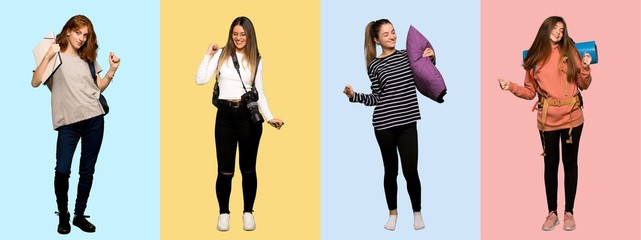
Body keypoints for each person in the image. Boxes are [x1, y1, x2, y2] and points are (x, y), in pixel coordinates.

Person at [497, 16, 592, 231]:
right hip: (547, 120)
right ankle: (552, 213)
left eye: (562, 28)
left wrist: (585, 67)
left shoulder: (571, 51)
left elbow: (584, 84)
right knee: (550, 166)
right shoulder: (534, 58)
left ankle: (569, 212)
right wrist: (510, 86)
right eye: (555, 27)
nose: (559, 31)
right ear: (546, 29)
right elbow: (530, 92)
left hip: (572, 118)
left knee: (570, 164)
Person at [31, 15, 120, 234]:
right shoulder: (53, 54)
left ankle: (80, 215)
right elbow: (35, 82)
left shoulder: (87, 57)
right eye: (78, 32)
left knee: (87, 171)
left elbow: (97, 88)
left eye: (85, 35)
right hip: (68, 123)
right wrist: (48, 56)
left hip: (94, 119)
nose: (81, 38)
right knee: (62, 171)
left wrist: (112, 70)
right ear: (68, 31)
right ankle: (64, 216)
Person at [342, 19, 434, 231]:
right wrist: (354, 96)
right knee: (390, 170)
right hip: (383, 125)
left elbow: (425, 74)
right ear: (376, 40)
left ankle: (417, 213)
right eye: (386, 34)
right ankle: (392, 214)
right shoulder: (374, 66)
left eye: (393, 32)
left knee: (411, 170)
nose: (392, 36)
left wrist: (431, 57)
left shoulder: (407, 56)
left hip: (408, 122)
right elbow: (376, 98)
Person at [195, 16, 284, 232]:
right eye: (235, 34)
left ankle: (248, 213)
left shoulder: (256, 58)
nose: (238, 38)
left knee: (248, 169)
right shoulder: (222, 55)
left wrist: (270, 116)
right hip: (225, 116)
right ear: (230, 34)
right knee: (225, 170)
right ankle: (223, 212)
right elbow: (200, 79)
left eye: (243, 34)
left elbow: (260, 92)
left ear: (249, 35)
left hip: (248, 117)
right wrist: (208, 54)